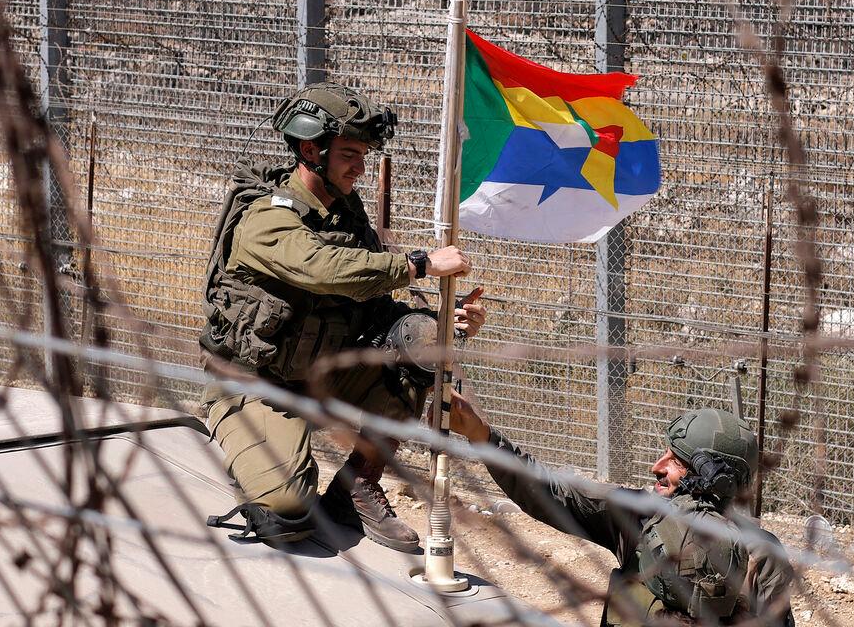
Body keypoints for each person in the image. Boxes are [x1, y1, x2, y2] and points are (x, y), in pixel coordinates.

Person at [199, 82, 487, 552]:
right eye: (350, 153)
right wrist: (419, 263)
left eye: (365, 155)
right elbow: (325, 269)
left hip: (323, 372)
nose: (360, 167)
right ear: (311, 149)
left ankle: (356, 487)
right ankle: (253, 445)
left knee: (422, 340)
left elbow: (371, 303)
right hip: (256, 381)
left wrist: (445, 322)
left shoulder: (345, 216)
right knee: (287, 514)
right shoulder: (267, 216)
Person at [448, 392, 795, 627]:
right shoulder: (641, 516)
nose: (656, 467)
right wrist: (481, 435)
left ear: (718, 481)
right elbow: (550, 492)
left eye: (676, 461)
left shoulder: (762, 557)